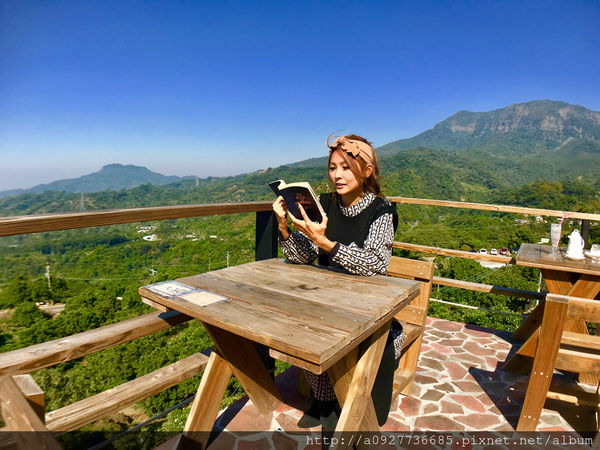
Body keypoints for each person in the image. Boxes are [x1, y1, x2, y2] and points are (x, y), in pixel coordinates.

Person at [272, 134, 405, 430]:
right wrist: (283, 227)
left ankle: (337, 409)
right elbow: (303, 256)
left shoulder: (381, 211)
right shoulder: (325, 205)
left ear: (367, 171)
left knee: (349, 358)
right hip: (327, 304)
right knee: (302, 329)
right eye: (333, 168)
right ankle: (325, 403)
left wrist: (327, 244)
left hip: (367, 312)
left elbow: (375, 264)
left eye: (346, 167)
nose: (337, 175)